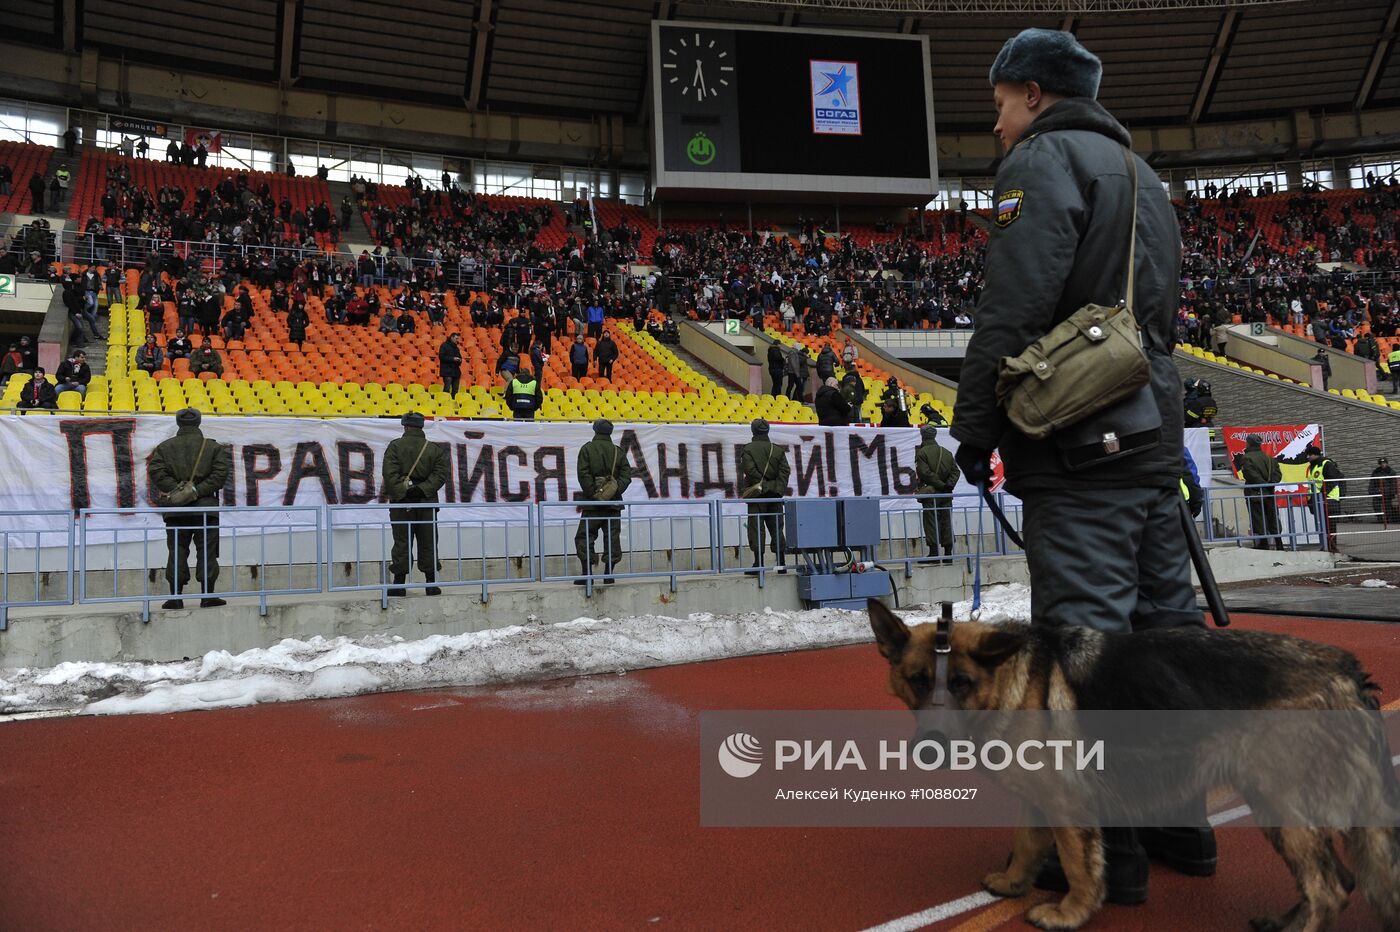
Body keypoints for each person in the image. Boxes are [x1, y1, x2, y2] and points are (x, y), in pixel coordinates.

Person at [948, 29, 1210, 902]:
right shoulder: (1147, 176)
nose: (995, 129)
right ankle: (1184, 827)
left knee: (1085, 647)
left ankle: (1104, 857)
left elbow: (1014, 304)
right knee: (1166, 635)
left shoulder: (1041, 162)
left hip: (1079, 441)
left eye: (997, 108)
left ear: (1030, 93)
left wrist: (975, 427)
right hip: (1152, 431)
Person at [149, 408, 232, 609]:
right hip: (206, 510)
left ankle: (176, 597)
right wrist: (196, 491)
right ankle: (207, 595)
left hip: (176, 510)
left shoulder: (165, 447)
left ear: (178, 423)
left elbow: (157, 473)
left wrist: (180, 492)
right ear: (198, 422)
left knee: (176, 551)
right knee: (207, 552)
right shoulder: (212, 447)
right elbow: (220, 475)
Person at [382, 411, 449, 597]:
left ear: (406, 426)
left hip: (401, 504)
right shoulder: (433, 449)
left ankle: (398, 584)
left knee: (401, 541)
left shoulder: (395, 446)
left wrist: (404, 493)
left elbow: (389, 473)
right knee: (428, 541)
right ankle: (431, 583)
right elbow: (440, 474)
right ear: (421, 427)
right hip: (426, 503)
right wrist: (422, 490)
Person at [574, 418, 632, 584]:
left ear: (595, 430)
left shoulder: (587, 449)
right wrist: (612, 491)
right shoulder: (617, 452)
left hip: (592, 505)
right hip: (613, 505)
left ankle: (587, 575)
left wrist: (594, 494)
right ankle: (608, 574)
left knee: (584, 537)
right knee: (612, 538)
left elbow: (583, 474)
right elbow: (626, 476)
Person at [739, 418, 790, 573]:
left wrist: (764, 487)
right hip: (775, 495)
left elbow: (750, 471)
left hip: (757, 495)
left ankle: (759, 564)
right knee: (777, 527)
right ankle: (781, 563)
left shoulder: (748, 449)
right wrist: (776, 488)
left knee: (756, 528)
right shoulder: (777, 450)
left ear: (753, 431)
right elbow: (785, 472)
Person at [915, 424, 961, 560]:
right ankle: (948, 553)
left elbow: (925, 473)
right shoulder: (946, 452)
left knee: (931, 522)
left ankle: (934, 553)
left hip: (931, 493)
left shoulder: (922, 453)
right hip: (946, 494)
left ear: (923, 436)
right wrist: (948, 486)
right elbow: (955, 471)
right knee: (946, 521)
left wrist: (940, 485)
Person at [1238, 433, 1284, 550]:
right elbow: (1278, 475)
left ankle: (1264, 543)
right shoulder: (1269, 458)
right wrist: (1269, 484)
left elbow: (1250, 474)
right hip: (1269, 492)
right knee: (1272, 516)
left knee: (1258, 517)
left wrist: (1262, 484)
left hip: (1255, 492)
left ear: (1248, 443)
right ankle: (1279, 543)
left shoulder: (1247, 458)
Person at [1306, 445, 1343, 551]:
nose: (1307, 457)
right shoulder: (1312, 466)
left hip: (1328, 499)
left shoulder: (1326, 464)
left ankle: (1332, 546)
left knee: (1330, 525)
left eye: (1310, 455)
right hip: (1318, 499)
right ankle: (1327, 546)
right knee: (1323, 525)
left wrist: (1322, 494)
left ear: (1316, 454)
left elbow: (1331, 481)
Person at [1369, 456, 1398, 524]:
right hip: (1377, 491)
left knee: (1388, 507)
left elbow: (1393, 483)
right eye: (1381, 463)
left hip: (1387, 492)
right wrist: (1371, 490)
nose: (1383, 464)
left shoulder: (1391, 472)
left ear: (1387, 463)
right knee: (1376, 506)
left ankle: (1389, 520)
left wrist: (1393, 492)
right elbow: (1372, 482)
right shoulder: (1376, 471)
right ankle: (1380, 519)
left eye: (1384, 463)